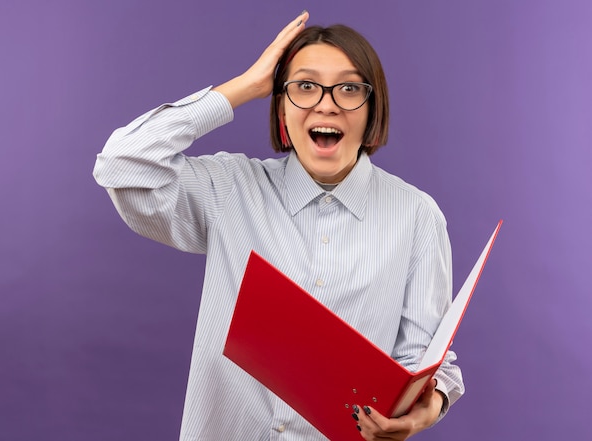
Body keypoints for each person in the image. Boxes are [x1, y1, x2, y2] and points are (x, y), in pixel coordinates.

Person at [93, 11, 464, 441]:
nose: (326, 103)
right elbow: (121, 165)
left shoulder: (418, 216)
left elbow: (426, 362)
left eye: (348, 88)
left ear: (371, 108)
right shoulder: (229, 188)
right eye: (304, 86)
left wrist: (423, 410)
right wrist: (243, 87)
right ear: (281, 107)